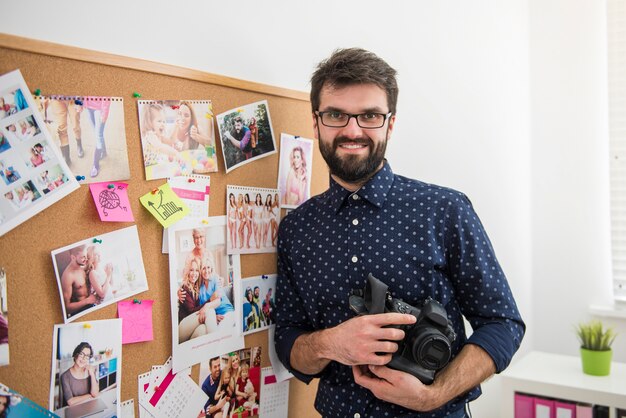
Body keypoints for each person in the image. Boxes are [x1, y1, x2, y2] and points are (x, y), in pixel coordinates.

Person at [274, 48, 525, 417]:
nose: (352, 130)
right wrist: (330, 343)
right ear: (316, 123)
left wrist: (433, 394)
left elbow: (503, 325)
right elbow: (287, 339)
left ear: (390, 124)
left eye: (370, 116)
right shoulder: (297, 229)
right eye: (335, 114)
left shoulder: (444, 210)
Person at [40, 96, 83, 166]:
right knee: (61, 128)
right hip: (56, 99)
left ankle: (79, 144)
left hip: (72, 96)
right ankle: (67, 158)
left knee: (76, 125)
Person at [61, 245, 97, 317]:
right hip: (80, 313)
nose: (86, 259)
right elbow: (66, 308)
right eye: (83, 257)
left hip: (91, 306)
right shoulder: (68, 276)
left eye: (86, 256)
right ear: (73, 257)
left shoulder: (82, 266)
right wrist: (87, 301)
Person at [60, 342, 99, 407]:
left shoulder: (90, 371)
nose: (84, 359)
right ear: (75, 355)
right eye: (81, 354)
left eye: (87, 356)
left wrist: (92, 374)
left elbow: (95, 394)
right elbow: (71, 402)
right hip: (73, 410)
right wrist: (89, 395)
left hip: (89, 406)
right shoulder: (65, 376)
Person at [83, 97, 111, 178]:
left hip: (99, 109)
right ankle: (104, 152)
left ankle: (96, 165)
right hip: (88, 106)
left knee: (98, 136)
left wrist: (104, 113)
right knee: (98, 134)